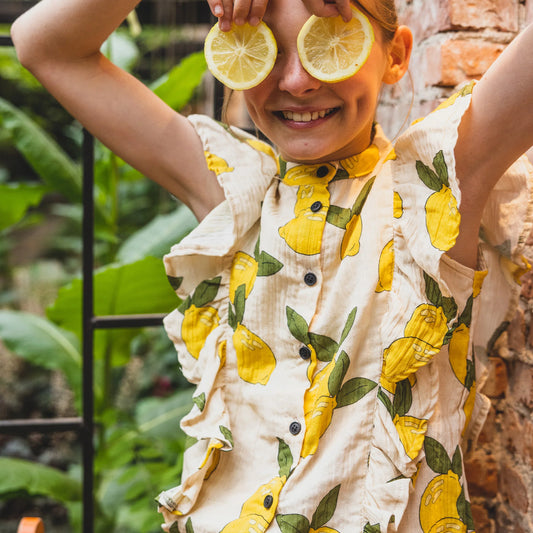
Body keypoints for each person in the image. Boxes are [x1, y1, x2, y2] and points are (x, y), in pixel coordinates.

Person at [10, 0, 533, 531]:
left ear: (395, 56)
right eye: (265, 49)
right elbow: (44, 45)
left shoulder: (438, 184)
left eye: (330, 40)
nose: (298, 80)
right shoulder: (231, 188)